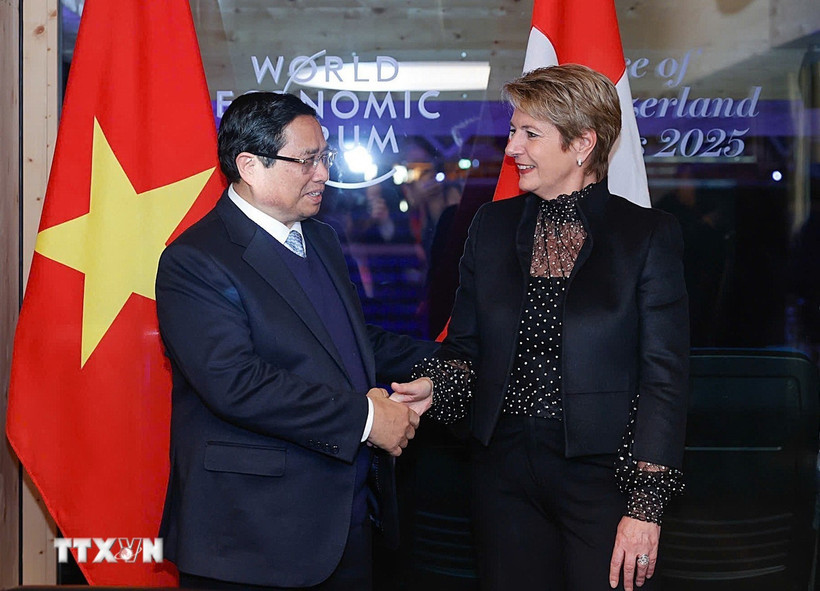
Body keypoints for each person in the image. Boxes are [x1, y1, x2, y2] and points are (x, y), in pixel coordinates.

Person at [392, 64, 689, 591]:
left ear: (582, 143)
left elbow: (663, 378)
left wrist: (646, 507)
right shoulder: (490, 226)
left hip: (602, 480)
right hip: (501, 471)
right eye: (513, 131)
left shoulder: (646, 234)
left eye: (530, 134)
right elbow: (465, 350)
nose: (512, 148)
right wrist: (436, 386)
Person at [155, 91, 438, 590]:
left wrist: (447, 359)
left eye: (324, 157)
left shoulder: (320, 237)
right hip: (253, 537)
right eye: (307, 160)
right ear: (249, 165)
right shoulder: (196, 260)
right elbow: (235, 383)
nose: (323, 174)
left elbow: (347, 342)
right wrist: (368, 419)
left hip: (345, 523)